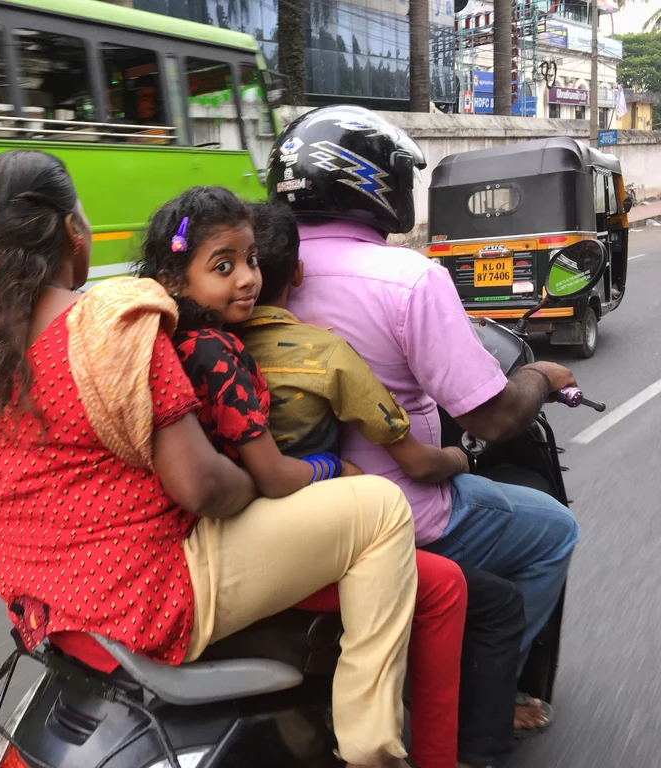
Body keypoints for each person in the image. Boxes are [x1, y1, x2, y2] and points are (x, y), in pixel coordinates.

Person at [0, 149, 418, 768]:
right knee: (381, 508)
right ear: (72, 232)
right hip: (146, 598)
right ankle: (372, 747)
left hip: (43, 609)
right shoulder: (110, 323)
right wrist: (260, 481)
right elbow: (202, 487)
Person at [269, 105, 580, 738]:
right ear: (373, 184)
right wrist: (543, 378)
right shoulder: (409, 277)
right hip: (401, 511)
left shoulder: (255, 271)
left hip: (283, 510)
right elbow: (491, 417)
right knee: (554, 530)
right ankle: (485, 698)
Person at [136, 185, 469, 768]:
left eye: (250, 262)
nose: (246, 279)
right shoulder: (225, 352)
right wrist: (331, 467)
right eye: (224, 267)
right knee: (438, 581)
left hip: (185, 537)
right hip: (238, 531)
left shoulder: (163, 340)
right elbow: (274, 476)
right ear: (174, 278)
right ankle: (386, 746)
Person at [243, 202, 527, 768]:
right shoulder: (325, 352)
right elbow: (417, 461)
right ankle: (456, 750)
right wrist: (457, 459)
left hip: (238, 537)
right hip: (318, 529)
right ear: (296, 277)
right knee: (468, 592)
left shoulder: (204, 347)